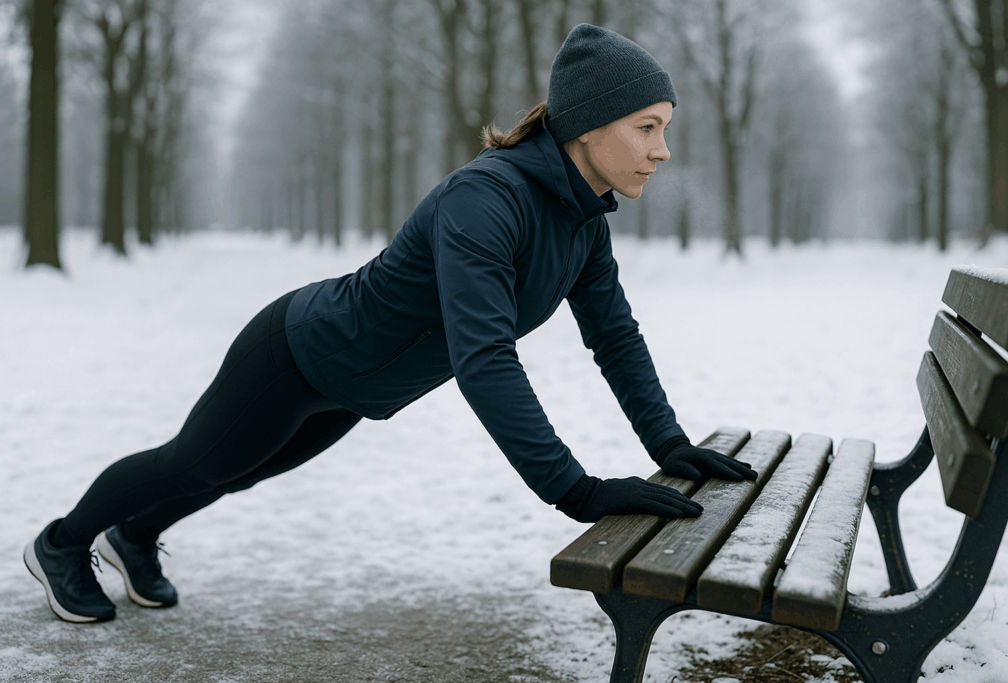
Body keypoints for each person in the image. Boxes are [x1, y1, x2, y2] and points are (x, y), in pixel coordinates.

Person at [24, 23, 756, 624]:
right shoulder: (486, 199)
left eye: (664, 129)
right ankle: (61, 543)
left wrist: (668, 441)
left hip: (354, 389)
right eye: (647, 127)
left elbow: (615, 337)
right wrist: (575, 489)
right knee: (195, 460)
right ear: (590, 127)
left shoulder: (582, 223)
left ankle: (136, 532)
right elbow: (484, 356)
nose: (662, 149)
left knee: (235, 470)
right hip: (296, 351)